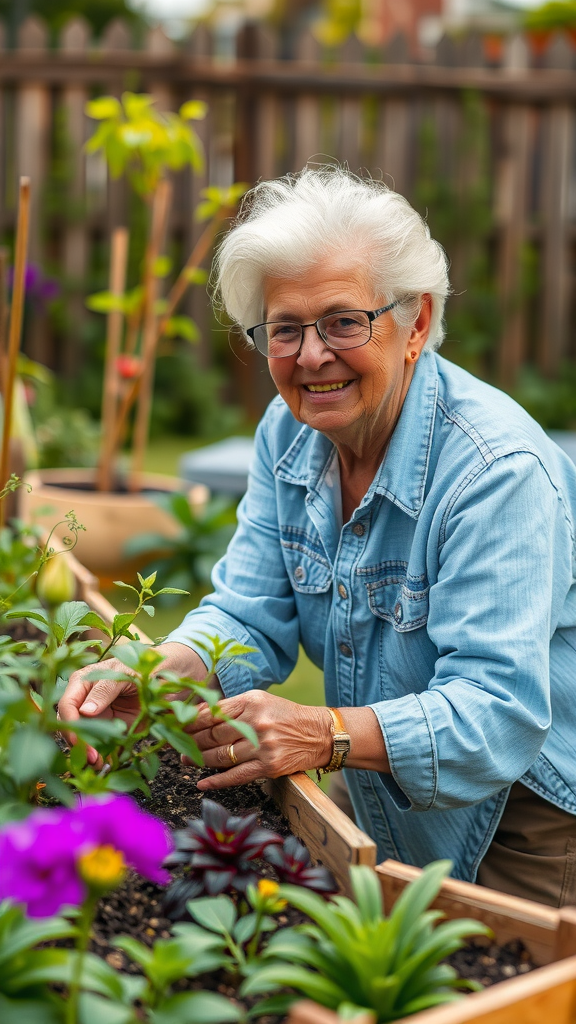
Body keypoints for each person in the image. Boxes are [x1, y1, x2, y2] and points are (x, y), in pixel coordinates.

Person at [60, 167, 576, 908]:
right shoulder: (288, 434)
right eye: (285, 328)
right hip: (382, 792)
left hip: (527, 819)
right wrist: (155, 671)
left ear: (417, 323)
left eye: (343, 321)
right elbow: (248, 614)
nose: (309, 356)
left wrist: (326, 732)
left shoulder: (498, 473)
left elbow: (497, 711)